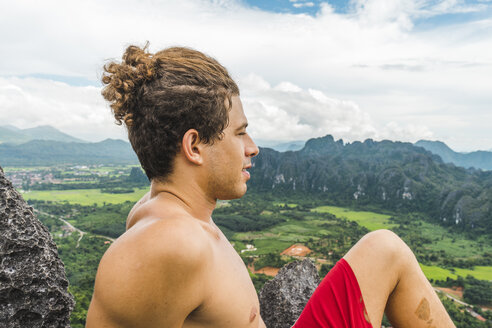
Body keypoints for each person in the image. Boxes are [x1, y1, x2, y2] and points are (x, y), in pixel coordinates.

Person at [86, 44, 455, 328]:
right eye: (240, 132)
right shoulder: (169, 245)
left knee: (384, 249)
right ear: (194, 146)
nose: (253, 147)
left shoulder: (166, 211)